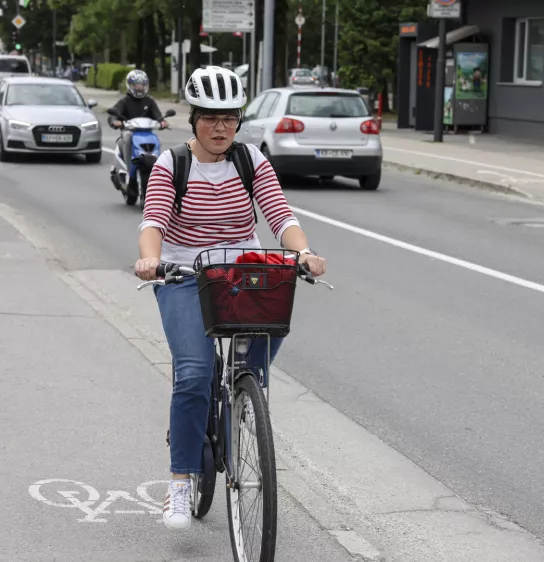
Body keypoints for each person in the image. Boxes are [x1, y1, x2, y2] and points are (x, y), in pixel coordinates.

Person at [134, 66, 327, 531]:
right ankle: (181, 481)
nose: (220, 128)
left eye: (229, 118)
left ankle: (243, 400)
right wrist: (149, 261)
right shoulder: (172, 164)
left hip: (243, 276)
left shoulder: (250, 161)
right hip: (183, 274)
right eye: (210, 118)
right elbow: (153, 223)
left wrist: (303, 251)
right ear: (194, 119)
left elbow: (280, 216)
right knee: (195, 373)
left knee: (254, 368)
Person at [108, 69, 168, 169]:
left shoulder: (150, 101)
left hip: (147, 132)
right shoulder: (125, 101)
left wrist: (163, 122)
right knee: (127, 137)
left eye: (142, 85)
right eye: (136, 85)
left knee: (158, 140)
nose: (139, 87)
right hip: (129, 132)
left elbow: (158, 116)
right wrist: (114, 121)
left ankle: (157, 168)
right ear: (130, 85)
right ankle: (128, 168)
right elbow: (114, 113)